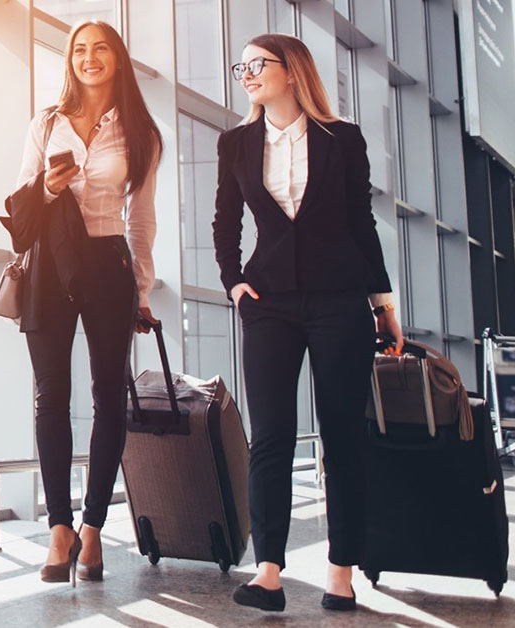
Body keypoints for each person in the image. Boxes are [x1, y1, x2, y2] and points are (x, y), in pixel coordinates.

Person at [212, 33, 404, 612]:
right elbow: (224, 221)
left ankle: (341, 572)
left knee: (342, 435)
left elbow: (361, 223)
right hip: (268, 301)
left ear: (291, 71)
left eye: (257, 64)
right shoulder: (236, 142)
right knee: (270, 435)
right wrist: (233, 282)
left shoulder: (341, 139)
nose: (246, 74)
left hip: (339, 300)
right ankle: (268, 571)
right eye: (240, 66)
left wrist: (382, 305)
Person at [7, 20, 161, 586]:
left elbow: (140, 220)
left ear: (117, 58)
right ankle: (59, 528)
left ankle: (94, 527)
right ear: (68, 59)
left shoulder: (142, 132)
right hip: (50, 264)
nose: (88, 58)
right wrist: (50, 186)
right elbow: (21, 200)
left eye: (99, 49)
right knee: (51, 397)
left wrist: (142, 291)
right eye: (79, 49)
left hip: (108, 266)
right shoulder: (46, 123)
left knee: (109, 398)